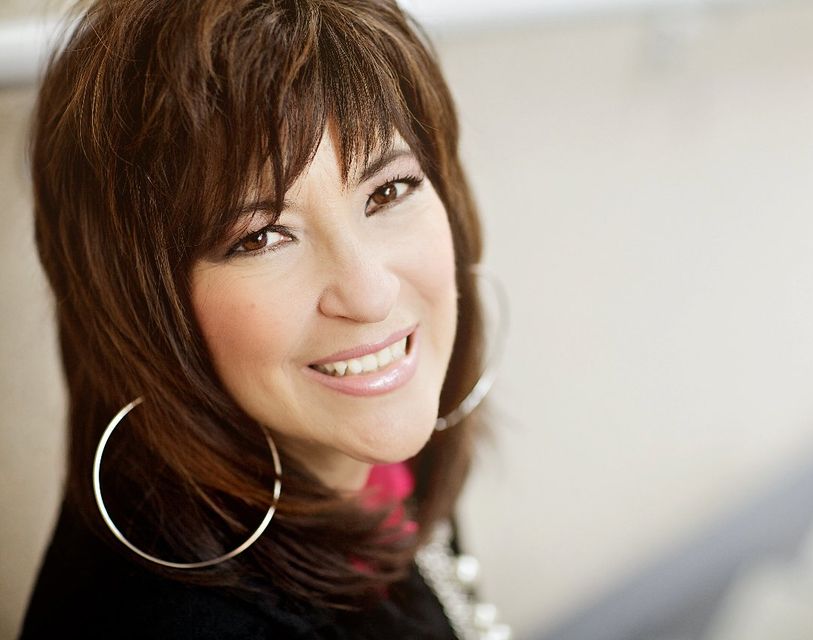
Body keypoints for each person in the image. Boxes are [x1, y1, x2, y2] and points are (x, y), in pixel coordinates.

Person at [19, 1, 509, 638]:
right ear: (141, 311)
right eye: (261, 237)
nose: (369, 295)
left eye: (388, 191)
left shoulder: (358, 454)